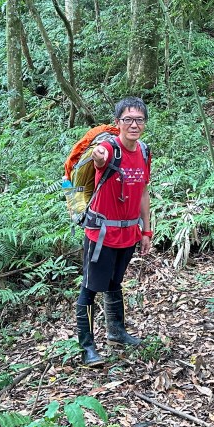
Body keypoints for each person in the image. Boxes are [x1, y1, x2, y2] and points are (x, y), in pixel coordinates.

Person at [76, 97, 153, 366]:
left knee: (114, 283)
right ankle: (87, 347)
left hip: (129, 233)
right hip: (101, 235)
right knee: (89, 288)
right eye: (128, 119)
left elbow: (143, 191)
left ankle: (116, 332)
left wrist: (146, 230)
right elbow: (100, 159)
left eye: (139, 120)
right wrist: (98, 157)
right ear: (117, 122)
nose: (134, 125)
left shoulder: (144, 151)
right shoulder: (110, 148)